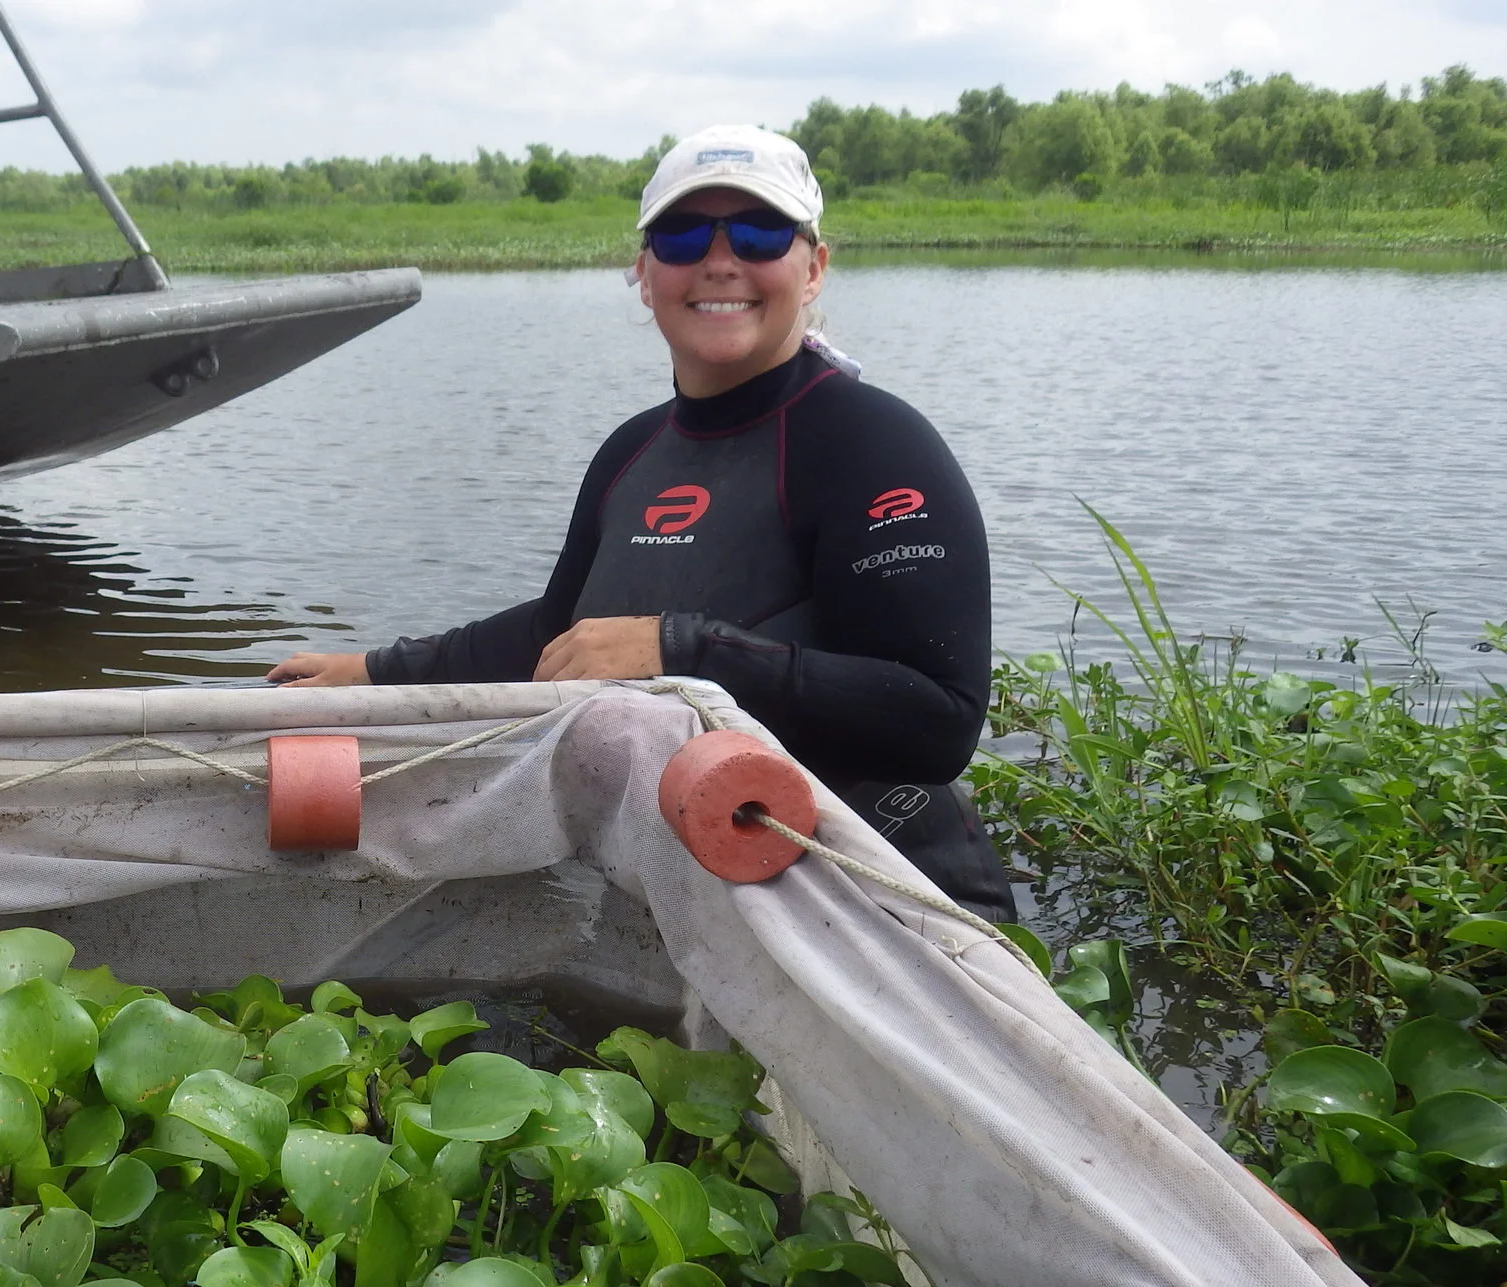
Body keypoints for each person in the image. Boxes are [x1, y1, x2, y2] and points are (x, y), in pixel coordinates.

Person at [267, 124, 1017, 922]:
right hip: (706, 892)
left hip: (889, 905)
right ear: (645, 271)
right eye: (685, 234)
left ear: (814, 267)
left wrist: (679, 649)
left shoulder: (874, 444)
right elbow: (558, 635)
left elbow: (937, 721)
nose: (720, 260)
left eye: (760, 232)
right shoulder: (634, 451)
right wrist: (375, 672)